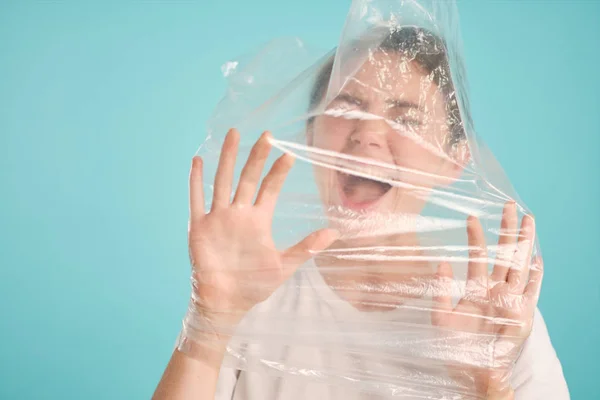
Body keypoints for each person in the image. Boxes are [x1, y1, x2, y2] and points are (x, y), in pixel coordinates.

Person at [153, 27, 569, 400]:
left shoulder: (494, 318)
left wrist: (488, 388)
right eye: (346, 108)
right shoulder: (249, 295)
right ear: (310, 135)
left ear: (453, 163)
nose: (368, 133)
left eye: (406, 119)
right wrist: (211, 321)